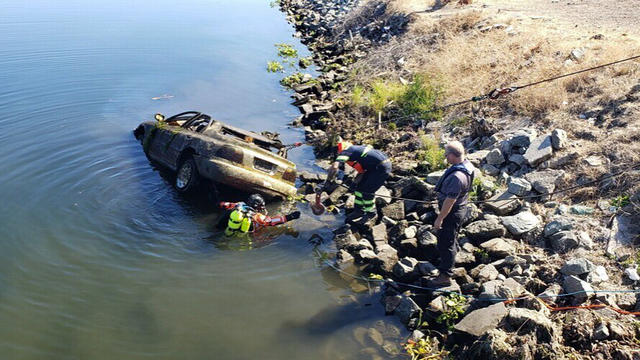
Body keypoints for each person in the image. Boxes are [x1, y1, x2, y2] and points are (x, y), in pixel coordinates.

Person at [430, 141, 475, 287]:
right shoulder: (468, 165)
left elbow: (449, 201)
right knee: (452, 238)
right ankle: (450, 260)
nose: (445, 157)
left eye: (446, 154)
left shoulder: (457, 177)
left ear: (452, 155)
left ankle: (445, 276)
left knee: (445, 242)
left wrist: (439, 219)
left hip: (452, 213)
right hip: (461, 208)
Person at [321, 140, 392, 222]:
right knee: (359, 188)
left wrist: (328, 181)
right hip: (376, 167)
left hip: (380, 168)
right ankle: (358, 211)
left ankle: (371, 213)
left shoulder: (346, 151)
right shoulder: (357, 150)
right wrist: (354, 183)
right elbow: (361, 172)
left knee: (367, 191)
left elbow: (334, 167)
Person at [218, 194, 301, 236]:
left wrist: (219, 203)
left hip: (225, 228)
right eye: (261, 205)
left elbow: (224, 204)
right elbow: (272, 221)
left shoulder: (238, 205)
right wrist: (290, 217)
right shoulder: (258, 217)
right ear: (256, 206)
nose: (262, 207)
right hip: (245, 234)